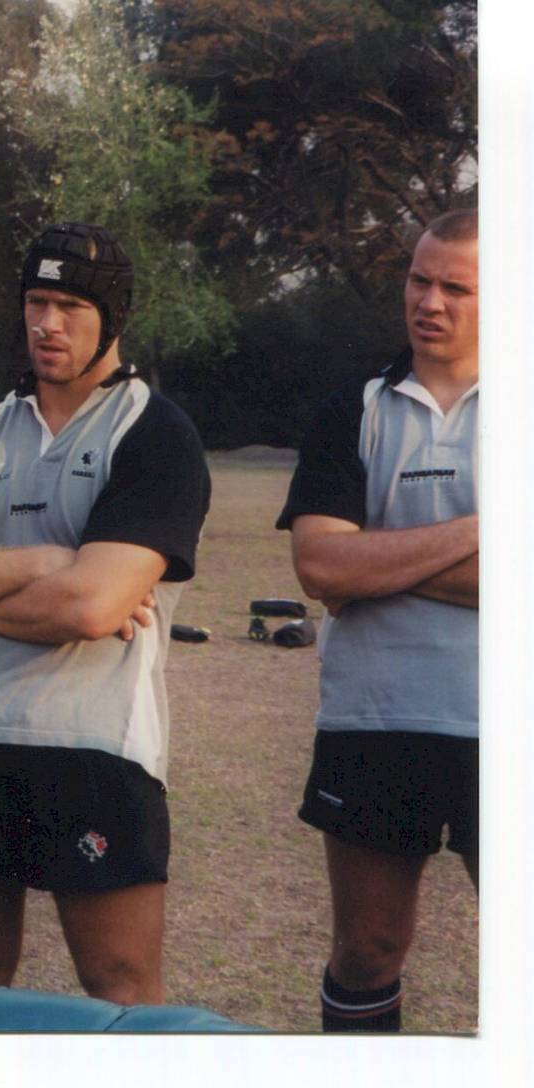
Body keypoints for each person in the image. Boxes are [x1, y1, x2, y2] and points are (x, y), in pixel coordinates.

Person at [0, 223, 210, 1004]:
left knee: (120, 987)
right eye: (36, 302)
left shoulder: (155, 432)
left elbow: (92, 605)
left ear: (114, 318)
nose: (47, 324)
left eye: (71, 307)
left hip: (95, 744)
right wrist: (44, 562)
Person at [277, 208, 478, 1032]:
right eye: (419, 281)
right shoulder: (351, 410)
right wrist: (478, 530)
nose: (430, 302)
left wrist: (380, 564)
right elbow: (323, 567)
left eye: (457, 288)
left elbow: (355, 566)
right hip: (374, 722)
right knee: (366, 951)